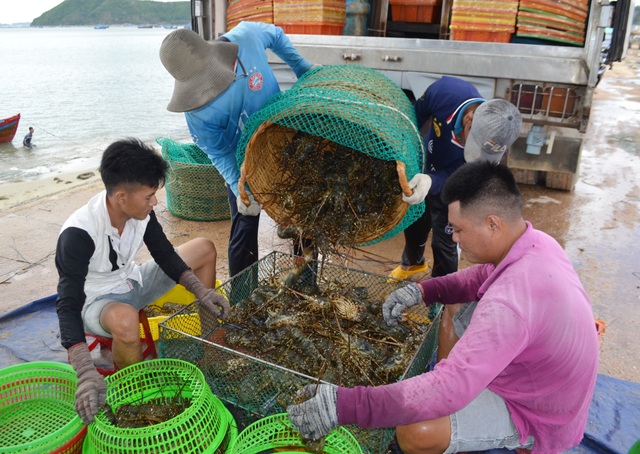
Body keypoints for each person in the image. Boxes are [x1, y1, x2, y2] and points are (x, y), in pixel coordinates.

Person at [287, 161, 599, 453]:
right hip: (542, 374)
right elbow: (481, 276)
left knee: (415, 430)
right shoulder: (536, 241)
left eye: (459, 229)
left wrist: (344, 405)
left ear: (493, 224)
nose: (454, 238)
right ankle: (445, 381)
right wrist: (422, 291)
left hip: (539, 410)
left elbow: (454, 385)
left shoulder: (508, 304)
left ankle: (515, 435)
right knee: (454, 304)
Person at [55, 138, 230, 425]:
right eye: (149, 196)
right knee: (125, 322)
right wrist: (85, 370)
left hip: (131, 279)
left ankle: (211, 346)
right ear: (121, 196)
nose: (155, 202)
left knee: (205, 248)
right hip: (96, 301)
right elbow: (67, 304)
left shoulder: (141, 213)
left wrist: (200, 290)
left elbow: (164, 253)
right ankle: (135, 392)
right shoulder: (79, 233)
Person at [160, 21, 316, 277]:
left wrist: (300, 66)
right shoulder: (196, 113)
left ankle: (306, 279)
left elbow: (276, 35)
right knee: (244, 225)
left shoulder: (247, 36)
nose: (209, 89)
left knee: (302, 217)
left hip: (284, 143)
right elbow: (219, 152)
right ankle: (244, 296)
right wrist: (238, 186)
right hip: (241, 163)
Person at [390, 78, 522, 282]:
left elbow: (456, 176)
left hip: (450, 188)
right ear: (469, 118)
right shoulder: (447, 92)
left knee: (445, 242)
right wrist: (406, 147)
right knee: (415, 221)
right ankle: (412, 264)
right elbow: (415, 117)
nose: (478, 155)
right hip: (426, 162)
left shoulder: (492, 146)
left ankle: (441, 293)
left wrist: (431, 182)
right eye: (474, 143)